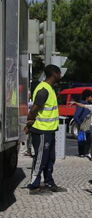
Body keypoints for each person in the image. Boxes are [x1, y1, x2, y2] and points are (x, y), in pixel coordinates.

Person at [24, 65, 66, 193]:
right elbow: (33, 110)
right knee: (40, 158)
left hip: (50, 130)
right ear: (54, 74)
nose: (61, 76)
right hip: (41, 130)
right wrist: (29, 123)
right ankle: (34, 185)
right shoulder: (44, 90)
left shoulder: (50, 89)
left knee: (50, 158)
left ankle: (49, 183)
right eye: (59, 73)